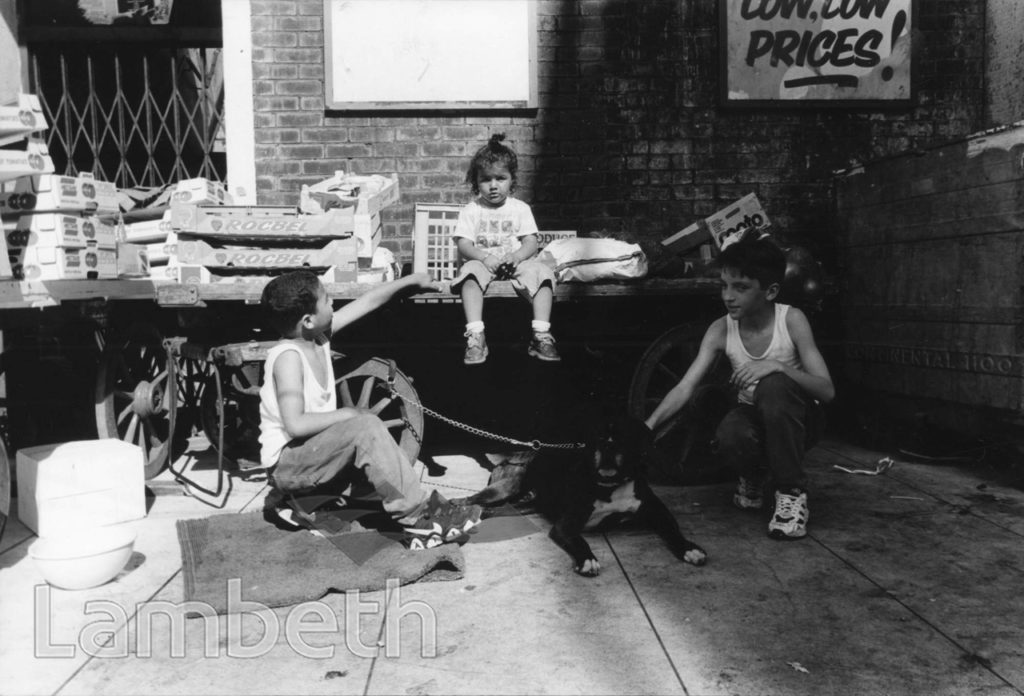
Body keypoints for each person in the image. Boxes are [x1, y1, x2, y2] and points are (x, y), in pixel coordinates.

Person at [258, 270, 482, 549]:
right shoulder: (288, 357)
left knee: (365, 429)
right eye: (327, 300)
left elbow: (369, 301)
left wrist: (411, 281)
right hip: (289, 465)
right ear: (308, 320)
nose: (333, 304)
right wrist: (351, 414)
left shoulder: (318, 338)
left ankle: (304, 503)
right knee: (364, 426)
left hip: (310, 457)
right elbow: (296, 425)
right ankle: (417, 518)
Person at [644, 235, 835, 540]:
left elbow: (827, 391)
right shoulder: (721, 329)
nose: (728, 296)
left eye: (741, 288)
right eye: (724, 286)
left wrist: (779, 366)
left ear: (771, 291)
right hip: (753, 417)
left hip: (799, 422)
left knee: (774, 386)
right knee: (730, 432)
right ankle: (753, 474)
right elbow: (685, 387)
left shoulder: (792, 321)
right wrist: (646, 426)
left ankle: (791, 492)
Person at [450, 133, 560, 365]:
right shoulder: (472, 210)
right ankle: (476, 335)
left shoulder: (520, 208)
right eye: (486, 179)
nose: (493, 186)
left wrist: (518, 256)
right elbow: (463, 244)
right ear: (476, 182)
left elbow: (531, 241)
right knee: (468, 274)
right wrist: (484, 256)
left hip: (515, 264)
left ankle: (541, 334)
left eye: (500, 178)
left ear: (512, 180)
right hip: (484, 264)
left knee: (543, 273)